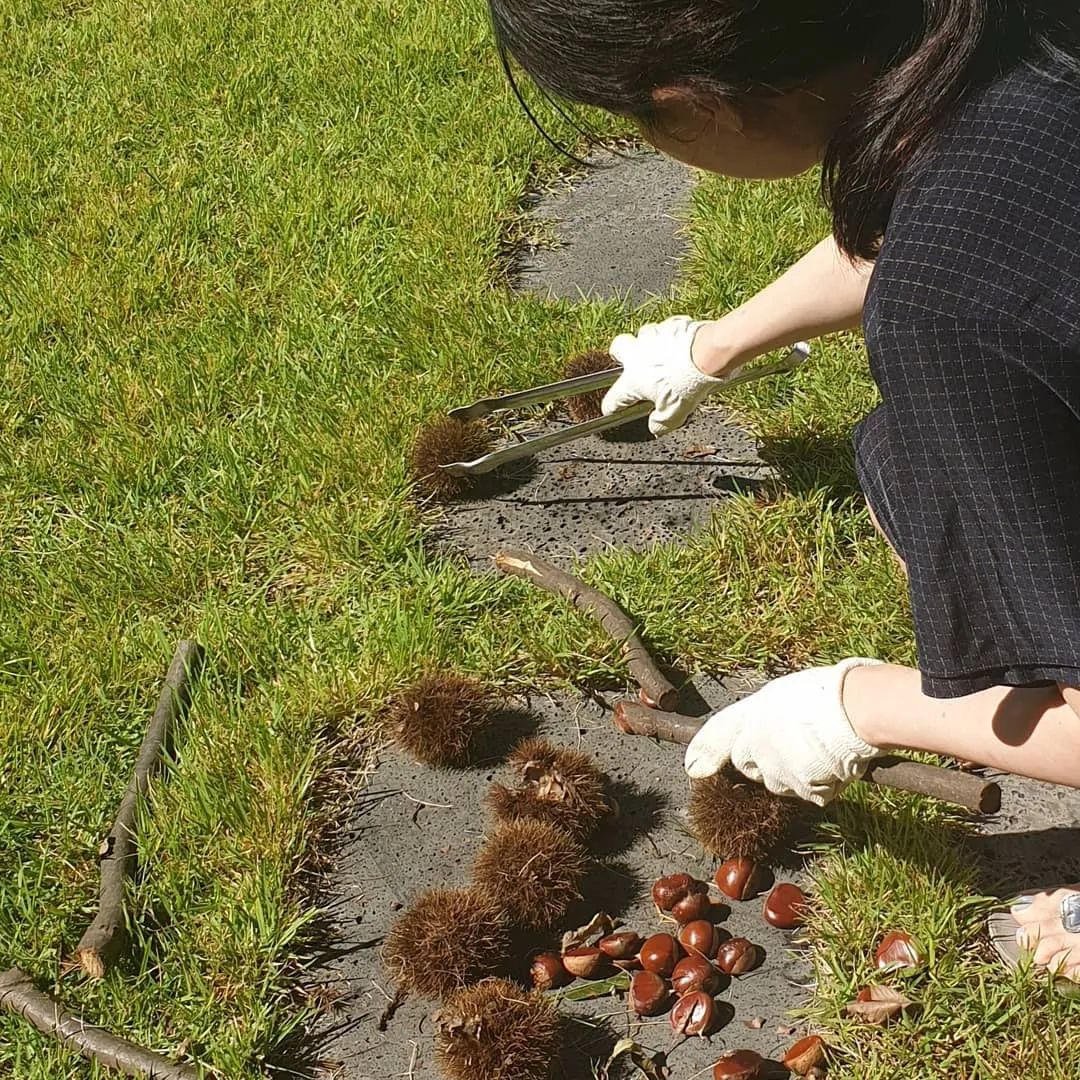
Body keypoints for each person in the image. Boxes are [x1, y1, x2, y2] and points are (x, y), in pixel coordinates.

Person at [488, 0, 1080, 981]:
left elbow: (956, 276)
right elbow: (978, 232)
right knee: (911, 461)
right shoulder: (1014, 38)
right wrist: (712, 347)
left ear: (692, 103)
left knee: (933, 466)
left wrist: (861, 708)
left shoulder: (945, 313)